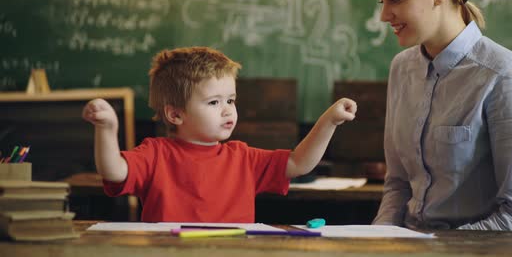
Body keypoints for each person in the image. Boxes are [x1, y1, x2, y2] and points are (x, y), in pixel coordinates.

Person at [371, 0, 512, 231]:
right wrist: (378, 239)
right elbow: (398, 185)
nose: (384, 15)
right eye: (381, 1)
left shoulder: (507, 77)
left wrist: (432, 249)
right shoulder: (401, 68)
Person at [82, 46, 357, 222]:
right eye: (214, 102)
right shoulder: (155, 153)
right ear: (176, 114)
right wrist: (107, 129)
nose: (227, 111)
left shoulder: (242, 157)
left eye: (231, 100)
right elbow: (114, 172)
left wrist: (329, 121)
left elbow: (299, 163)